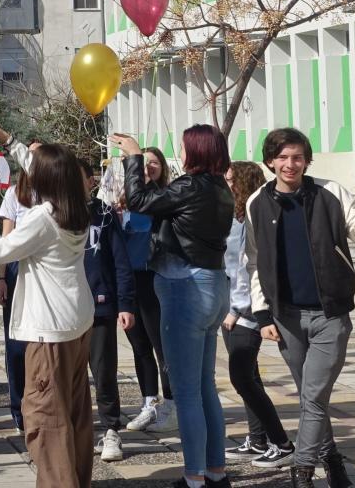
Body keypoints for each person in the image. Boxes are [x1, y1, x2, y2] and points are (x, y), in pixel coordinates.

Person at [249, 127, 355, 488]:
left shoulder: (330, 192)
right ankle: (335, 463)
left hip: (330, 314)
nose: (289, 164)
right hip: (286, 317)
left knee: (312, 395)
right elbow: (254, 262)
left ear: (307, 160)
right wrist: (262, 314)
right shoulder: (256, 203)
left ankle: (302, 471)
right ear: (270, 161)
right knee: (314, 399)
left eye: (297, 157)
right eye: (282, 157)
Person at [116, 126, 234, 488]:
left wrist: (134, 157)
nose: (178, 153)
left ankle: (194, 477)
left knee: (185, 393)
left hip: (186, 291)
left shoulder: (190, 187)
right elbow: (164, 205)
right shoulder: (218, 188)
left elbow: (138, 203)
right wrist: (148, 179)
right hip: (212, 286)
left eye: (182, 147)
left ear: (195, 151)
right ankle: (216, 471)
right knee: (204, 387)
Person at [0, 127, 93, 488]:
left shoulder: (44, 218)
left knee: (46, 421)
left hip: (48, 332)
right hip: (76, 323)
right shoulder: (76, 207)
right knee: (75, 416)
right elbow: (47, 170)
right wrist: (9, 141)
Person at [223, 161, 293, 468]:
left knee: (242, 377)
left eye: (230, 180)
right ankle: (258, 439)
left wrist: (237, 311)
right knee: (249, 377)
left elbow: (248, 269)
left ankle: (282, 442)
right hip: (232, 310)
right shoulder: (233, 217)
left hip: (247, 312)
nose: (226, 185)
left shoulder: (249, 220)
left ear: (243, 183)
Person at [81, 158, 137, 465]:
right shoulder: (53, 213)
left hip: (100, 306)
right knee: (70, 379)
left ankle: (111, 429)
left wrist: (125, 303)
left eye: (82, 178)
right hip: (64, 312)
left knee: (103, 373)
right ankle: (79, 432)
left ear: (91, 181)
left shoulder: (102, 214)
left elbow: (120, 260)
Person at [121, 146, 176, 434]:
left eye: (153, 162)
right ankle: (148, 402)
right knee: (139, 345)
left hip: (156, 278)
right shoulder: (123, 203)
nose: (147, 167)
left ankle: (171, 404)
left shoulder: (164, 199)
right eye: (142, 162)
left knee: (161, 345)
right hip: (130, 281)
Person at [0, 169, 32, 430]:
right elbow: (6, 237)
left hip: (46, 266)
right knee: (16, 344)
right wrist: (1, 276)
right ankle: (19, 407)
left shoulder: (56, 191)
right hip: (19, 266)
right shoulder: (15, 193)